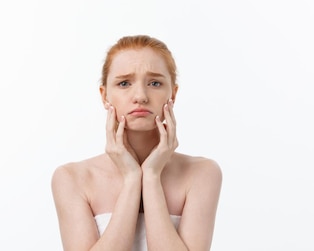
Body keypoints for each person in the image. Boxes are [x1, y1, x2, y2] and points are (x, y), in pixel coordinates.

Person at [51, 35, 222, 251]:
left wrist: (150, 176)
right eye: (124, 83)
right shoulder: (71, 178)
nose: (140, 96)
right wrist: (132, 179)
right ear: (104, 96)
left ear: (173, 94)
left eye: (155, 83)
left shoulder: (202, 173)